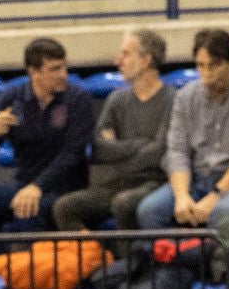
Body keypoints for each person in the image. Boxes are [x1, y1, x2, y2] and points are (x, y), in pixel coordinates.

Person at [138, 27, 229, 231]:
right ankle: (171, 261)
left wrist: (215, 196)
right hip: (198, 179)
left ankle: (214, 262)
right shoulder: (185, 97)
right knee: (149, 210)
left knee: (223, 211)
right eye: (201, 66)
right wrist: (182, 197)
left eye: (214, 66)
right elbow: (177, 152)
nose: (207, 75)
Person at [0, 37, 93, 241]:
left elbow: (73, 153)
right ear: (33, 72)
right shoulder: (12, 99)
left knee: (29, 209)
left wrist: (37, 187)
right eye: (54, 69)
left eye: (64, 67)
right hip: (24, 184)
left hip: (66, 188)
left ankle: (35, 271)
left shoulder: (78, 99)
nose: (63, 75)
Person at [52, 29, 173, 231]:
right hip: (121, 182)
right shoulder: (116, 99)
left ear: (146, 60)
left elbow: (158, 154)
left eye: (125, 54)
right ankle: (97, 255)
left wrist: (118, 150)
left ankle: (131, 262)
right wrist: (140, 144)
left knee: (124, 203)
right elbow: (99, 149)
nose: (117, 61)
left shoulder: (172, 100)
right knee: (64, 207)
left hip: (157, 183)